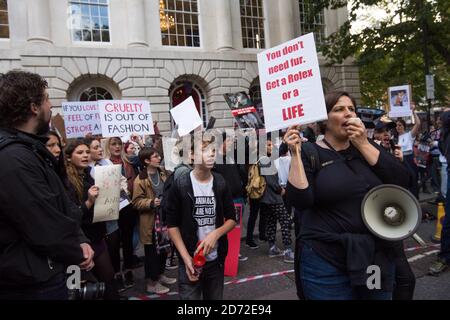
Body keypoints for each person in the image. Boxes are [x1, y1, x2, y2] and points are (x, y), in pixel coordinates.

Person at [286, 91, 410, 300]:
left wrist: (363, 143)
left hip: (373, 257)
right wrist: (295, 153)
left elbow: (402, 181)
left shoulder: (367, 147)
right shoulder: (309, 152)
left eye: (351, 109)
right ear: (325, 119)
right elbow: (300, 201)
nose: (348, 114)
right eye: (339, 109)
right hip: (325, 262)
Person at [0, 70, 94, 300]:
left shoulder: (29, 150)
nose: (50, 106)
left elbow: (62, 203)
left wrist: (80, 238)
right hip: (32, 282)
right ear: (34, 107)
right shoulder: (14, 159)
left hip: (44, 272)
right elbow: (42, 221)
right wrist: (76, 251)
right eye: (47, 99)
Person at [166, 134, 236, 300]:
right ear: (191, 155)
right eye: (204, 150)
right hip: (189, 258)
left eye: (213, 150)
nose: (211, 153)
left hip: (215, 260)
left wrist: (216, 234)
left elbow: (232, 219)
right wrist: (186, 259)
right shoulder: (180, 184)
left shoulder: (220, 182)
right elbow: (172, 225)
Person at [65, 139, 120, 300]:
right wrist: (89, 201)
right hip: (76, 241)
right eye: (80, 153)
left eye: (87, 152)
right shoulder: (66, 182)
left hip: (96, 236)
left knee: (108, 277)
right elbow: (72, 216)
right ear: (68, 157)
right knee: (76, 287)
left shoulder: (90, 175)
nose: (85, 155)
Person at [132, 147, 177, 294]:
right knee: (152, 253)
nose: (159, 158)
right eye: (155, 156)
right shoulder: (140, 180)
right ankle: (152, 283)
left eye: (159, 156)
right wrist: (151, 203)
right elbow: (136, 202)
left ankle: (160, 275)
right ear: (146, 161)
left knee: (164, 250)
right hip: (151, 222)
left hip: (164, 218)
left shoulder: (163, 173)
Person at [259, 139, 295, 263]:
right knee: (285, 221)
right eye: (268, 145)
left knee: (271, 222)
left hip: (267, 198)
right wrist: (281, 190)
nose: (271, 146)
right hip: (273, 197)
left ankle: (272, 248)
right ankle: (288, 251)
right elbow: (271, 181)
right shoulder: (265, 160)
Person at [429, 107, 450, 276]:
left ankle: (444, 257)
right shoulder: (445, 134)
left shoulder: (444, 134)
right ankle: (444, 257)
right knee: (448, 221)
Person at [395, 108, 421, 198]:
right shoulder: (394, 138)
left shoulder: (409, 135)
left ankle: (415, 199)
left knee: (412, 179)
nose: (398, 127)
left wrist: (413, 111)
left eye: (400, 125)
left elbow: (418, 123)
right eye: (397, 125)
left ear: (404, 126)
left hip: (408, 159)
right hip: (399, 160)